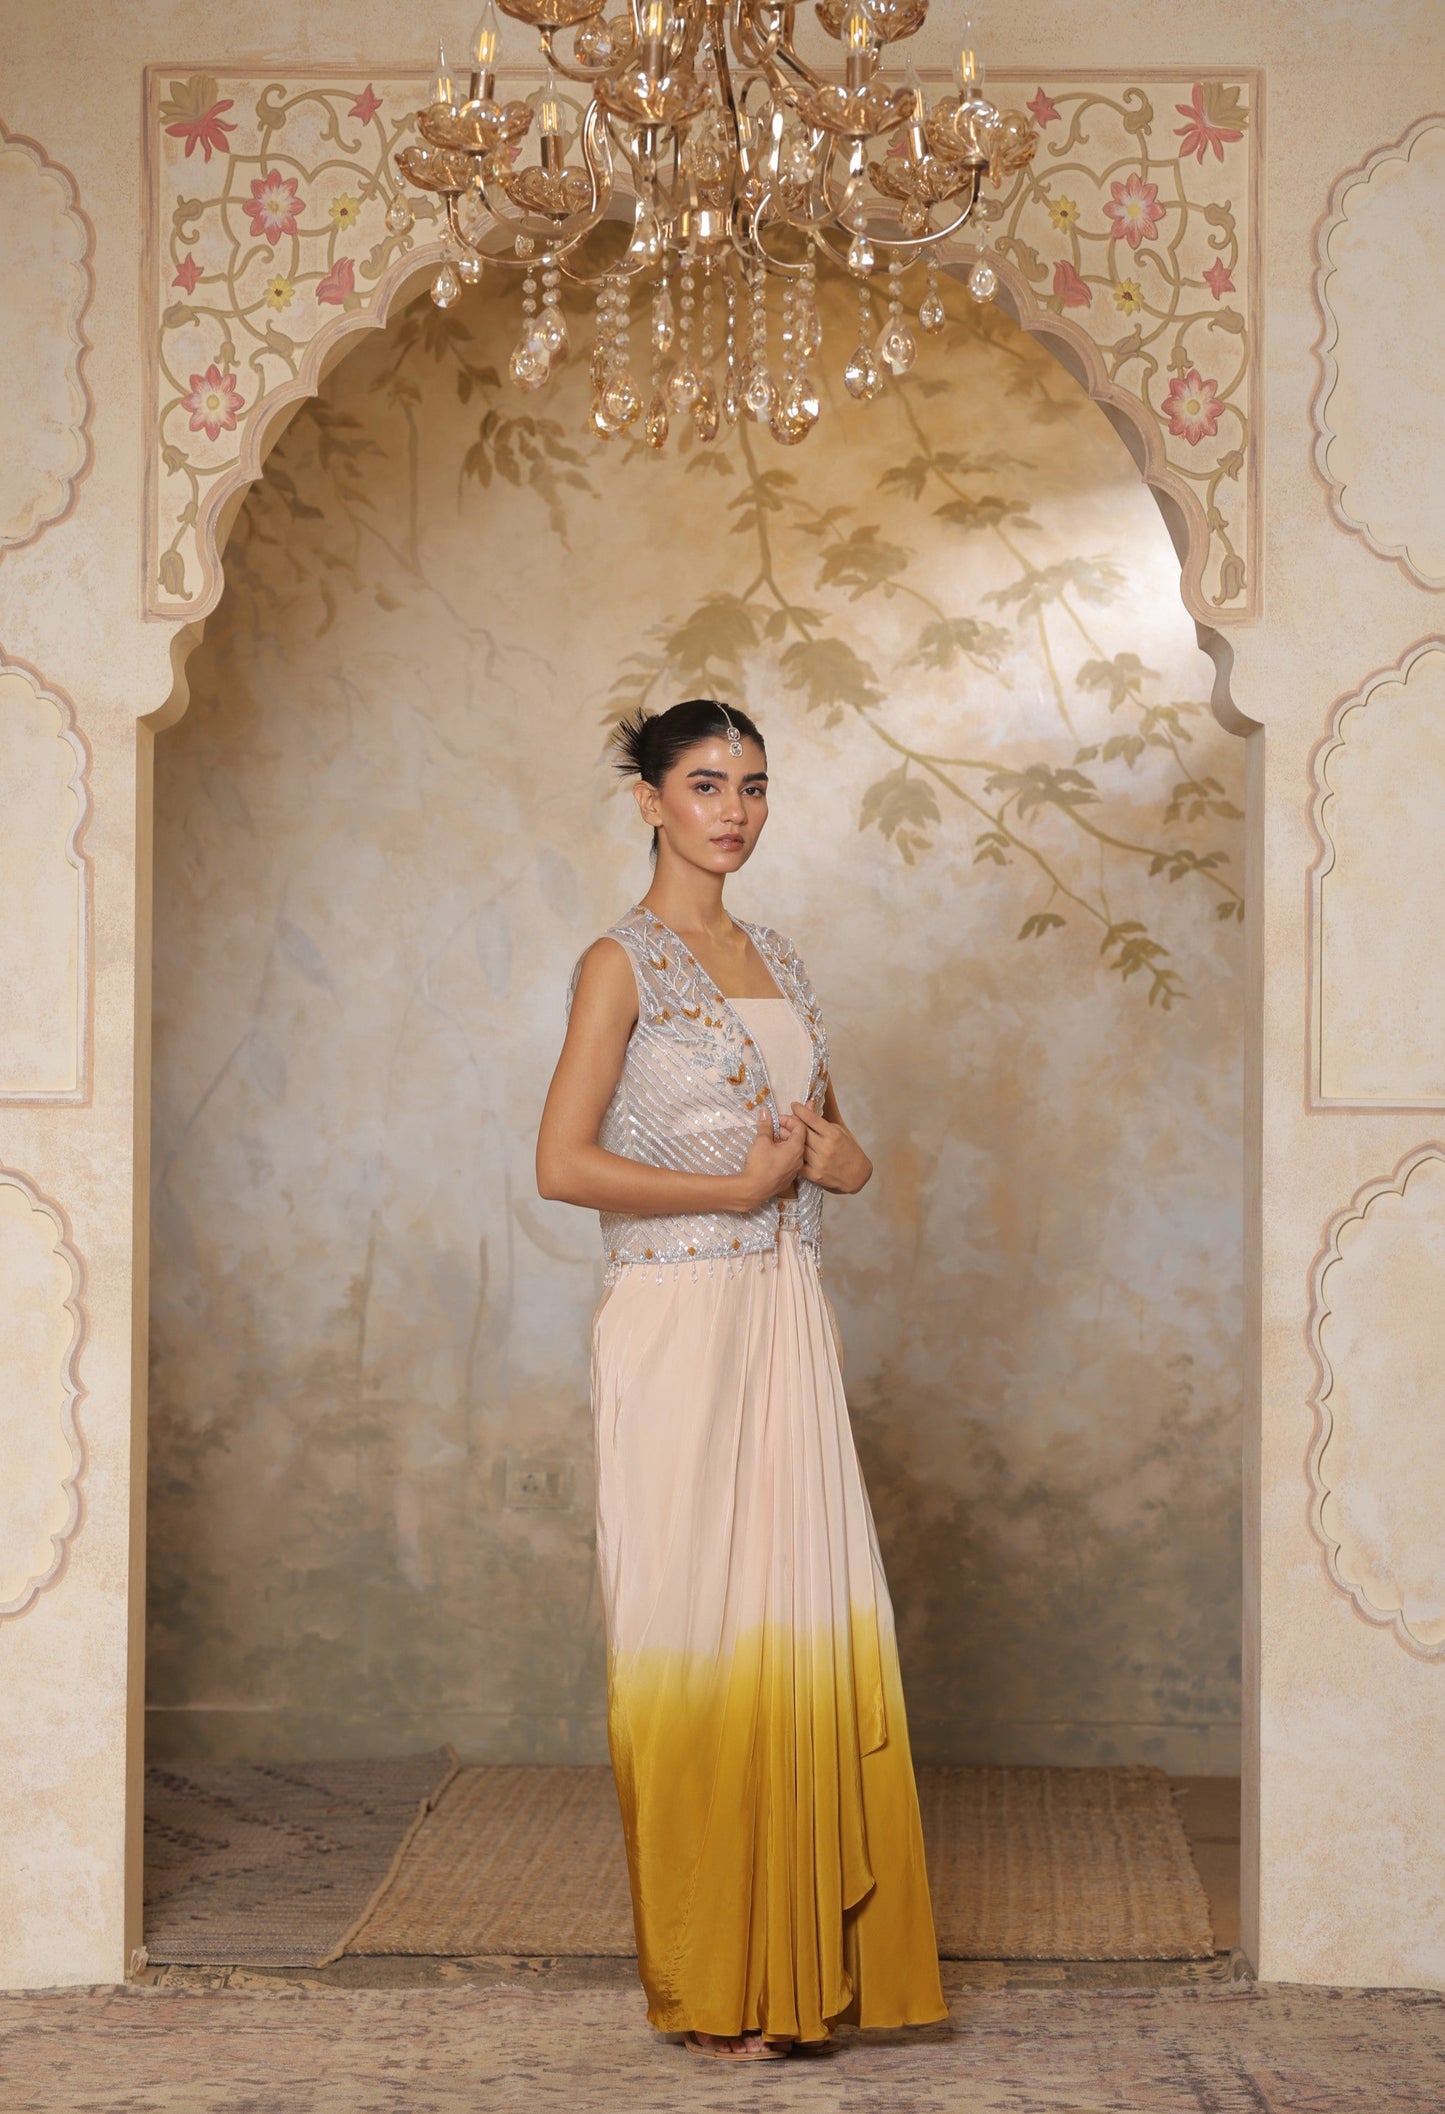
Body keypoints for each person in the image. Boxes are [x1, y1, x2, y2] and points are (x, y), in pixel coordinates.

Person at [536, 697, 945, 2060]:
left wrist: (836, 1164)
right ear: (649, 798)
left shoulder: (779, 957)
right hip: (675, 1320)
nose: (735, 808)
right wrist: (737, 1180)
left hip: (782, 1309)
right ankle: (716, 1976)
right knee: (687, 1630)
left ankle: (800, 1977)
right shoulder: (621, 961)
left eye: (754, 785)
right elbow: (562, 1165)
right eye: (706, 783)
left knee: (796, 1613)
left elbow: (837, 1146)